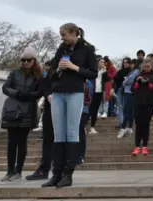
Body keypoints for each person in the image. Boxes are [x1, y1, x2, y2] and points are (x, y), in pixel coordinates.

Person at [42, 23, 97, 188]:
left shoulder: (87, 48)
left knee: (72, 131)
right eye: (61, 35)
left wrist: (74, 67)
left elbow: (93, 73)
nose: (62, 38)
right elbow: (51, 68)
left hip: (75, 92)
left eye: (64, 34)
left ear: (74, 33)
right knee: (58, 133)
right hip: (58, 91)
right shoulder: (62, 47)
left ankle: (68, 173)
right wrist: (56, 69)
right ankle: (56, 173)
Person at [0, 47, 42, 181]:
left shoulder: (38, 75)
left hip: (28, 110)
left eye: (28, 60)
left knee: (22, 141)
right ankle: (9, 171)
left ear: (34, 60)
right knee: (11, 141)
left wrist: (28, 95)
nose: (25, 62)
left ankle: (18, 171)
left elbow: (41, 92)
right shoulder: (15, 73)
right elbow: (5, 87)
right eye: (23, 60)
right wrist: (17, 93)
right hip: (13, 109)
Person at [26, 60, 54, 181]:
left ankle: (62, 171)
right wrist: (47, 94)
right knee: (48, 140)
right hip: (50, 108)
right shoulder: (46, 74)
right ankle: (44, 169)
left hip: (65, 108)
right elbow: (42, 86)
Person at [131, 57, 153, 156]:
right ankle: (136, 146)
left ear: (151, 66)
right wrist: (137, 82)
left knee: (145, 124)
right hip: (138, 103)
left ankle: (144, 146)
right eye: (145, 66)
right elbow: (132, 90)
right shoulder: (138, 76)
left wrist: (148, 83)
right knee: (138, 124)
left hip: (149, 104)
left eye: (148, 66)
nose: (146, 68)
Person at [118, 60, 139, 138]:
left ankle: (123, 128)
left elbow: (129, 80)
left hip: (131, 93)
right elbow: (126, 80)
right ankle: (129, 127)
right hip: (127, 92)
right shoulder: (131, 72)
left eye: (132, 64)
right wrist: (125, 80)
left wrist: (125, 81)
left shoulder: (136, 71)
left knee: (127, 111)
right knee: (128, 111)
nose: (130, 65)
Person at [88, 58, 107, 134]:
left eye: (103, 62)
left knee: (95, 111)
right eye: (101, 62)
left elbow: (107, 80)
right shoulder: (93, 70)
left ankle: (92, 127)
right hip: (92, 92)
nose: (102, 63)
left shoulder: (104, 72)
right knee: (89, 110)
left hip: (99, 92)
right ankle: (83, 127)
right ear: (97, 63)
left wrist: (105, 71)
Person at [79, 79, 94, 163]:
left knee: (80, 131)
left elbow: (89, 94)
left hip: (83, 110)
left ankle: (81, 155)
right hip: (73, 110)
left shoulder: (87, 83)